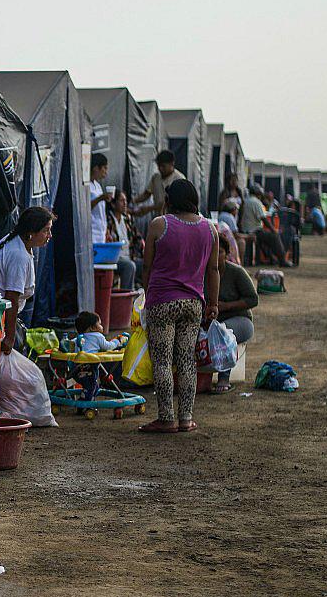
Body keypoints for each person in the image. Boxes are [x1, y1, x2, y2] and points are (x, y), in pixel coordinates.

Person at [138, 179, 219, 434]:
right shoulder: (211, 229)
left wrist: (147, 294)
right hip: (194, 304)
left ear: (169, 200)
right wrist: (213, 303)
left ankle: (166, 418)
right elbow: (213, 270)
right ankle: (186, 418)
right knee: (185, 360)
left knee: (162, 361)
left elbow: (147, 267)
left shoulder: (158, 225)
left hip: (162, 302)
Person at [0, 206, 59, 426]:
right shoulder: (19, 255)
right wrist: (9, 337)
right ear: (32, 232)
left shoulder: (17, 243)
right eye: (47, 230)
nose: (50, 236)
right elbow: (11, 299)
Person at [207, 231, 257, 393]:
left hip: (240, 320)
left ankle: (223, 378)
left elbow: (252, 299)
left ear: (227, 254)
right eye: (211, 252)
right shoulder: (202, 274)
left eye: (219, 252)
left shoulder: (236, 272)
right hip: (212, 321)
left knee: (223, 331)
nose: (215, 256)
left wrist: (226, 306)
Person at [240, 185, 289, 267]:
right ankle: (282, 260)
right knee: (274, 237)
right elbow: (263, 219)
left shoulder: (245, 201)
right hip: (255, 231)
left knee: (266, 237)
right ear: (258, 193)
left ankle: (271, 259)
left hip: (245, 230)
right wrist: (273, 230)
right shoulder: (256, 202)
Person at [131, 150, 185, 217]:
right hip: (159, 217)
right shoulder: (156, 177)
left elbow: (171, 202)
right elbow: (146, 194)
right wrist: (133, 201)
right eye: (158, 166)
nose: (160, 169)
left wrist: (149, 209)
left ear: (172, 164)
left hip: (174, 218)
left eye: (163, 166)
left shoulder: (180, 179)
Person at [106, 190, 142, 290]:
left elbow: (137, 237)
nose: (125, 203)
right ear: (113, 204)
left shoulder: (127, 219)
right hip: (116, 259)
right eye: (121, 201)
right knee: (129, 266)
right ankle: (126, 299)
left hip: (130, 256)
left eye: (125, 200)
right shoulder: (108, 220)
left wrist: (145, 250)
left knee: (148, 264)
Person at [89, 153, 111, 249]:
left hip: (101, 231)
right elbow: (86, 207)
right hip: (92, 231)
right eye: (104, 168)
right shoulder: (87, 186)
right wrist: (100, 198)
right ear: (96, 168)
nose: (106, 172)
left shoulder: (97, 185)